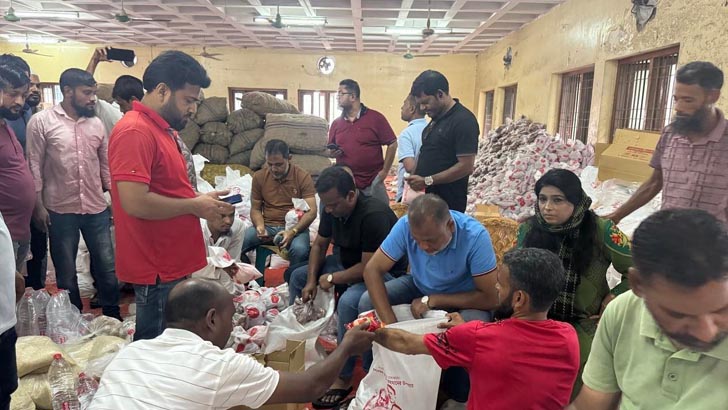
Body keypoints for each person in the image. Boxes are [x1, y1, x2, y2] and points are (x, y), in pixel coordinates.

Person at [88, 278, 376, 410]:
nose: (234, 325)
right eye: (230, 317)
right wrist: (346, 346)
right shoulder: (218, 366)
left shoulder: (132, 352)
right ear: (211, 319)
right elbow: (311, 386)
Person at [108, 50, 234, 341]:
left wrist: (204, 199)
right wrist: (195, 205)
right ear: (162, 90)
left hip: (171, 259)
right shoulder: (135, 132)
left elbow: (167, 188)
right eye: (188, 100)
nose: (192, 110)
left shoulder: (163, 131)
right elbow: (134, 201)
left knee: (170, 341)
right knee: (154, 346)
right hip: (156, 265)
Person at [375, 248, 580, 410]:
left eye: (500, 284)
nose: (496, 288)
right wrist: (470, 332)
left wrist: (372, 331)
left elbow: (406, 343)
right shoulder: (568, 337)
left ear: (519, 299)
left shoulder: (477, 338)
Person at [567, 209, 728, 410]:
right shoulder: (622, 311)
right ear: (637, 285)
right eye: (678, 314)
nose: (707, 333)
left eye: (722, 310)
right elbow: (591, 404)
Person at [287, 166, 407, 408]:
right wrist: (312, 281)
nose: (328, 210)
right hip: (347, 261)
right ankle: (301, 346)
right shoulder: (332, 207)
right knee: (297, 276)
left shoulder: (373, 215)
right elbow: (320, 246)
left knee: (351, 300)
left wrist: (333, 279)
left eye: (332, 205)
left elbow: (369, 268)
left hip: (382, 272)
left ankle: (343, 374)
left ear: (351, 196)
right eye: (326, 206)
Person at [362, 193, 499, 404]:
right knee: (367, 302)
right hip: (419, 285)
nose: (424, 247)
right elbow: (372, 269)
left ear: (450, 226)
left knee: (470, 329)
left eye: (430, 240)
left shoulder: (475, 236)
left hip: (465, 297)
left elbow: (489, 298)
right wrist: (391, 327)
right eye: (417, 241)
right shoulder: (406, 225)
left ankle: (455, 394)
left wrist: (434, 299)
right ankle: (377, 376)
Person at [517, 169, 631, 395]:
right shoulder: (529, 229)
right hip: (535, 317)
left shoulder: (602, 230)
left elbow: (639, 271)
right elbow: (516, 274)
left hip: (583, 321)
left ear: (576, 201)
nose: (547, 207)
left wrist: (614, 298)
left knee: (582, 371)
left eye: (557, 200)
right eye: (543, 199)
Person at [26, 68, 121, 320]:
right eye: (87, 93)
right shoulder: (41, 122)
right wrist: (38, 206)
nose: (93, 99)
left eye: (94, 93)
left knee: (107, 269)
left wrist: (116, 201)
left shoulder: (96, 123)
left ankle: (113, 317)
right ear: (67, 91)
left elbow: (105, 166)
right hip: (59, 209)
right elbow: (33, 164)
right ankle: (74, 319)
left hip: (96, 207)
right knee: (66, 273)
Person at [607, 61, 728, 225]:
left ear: (712, 96)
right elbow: (655, 182)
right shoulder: (670, 134)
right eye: (676, 99)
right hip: (669, 239)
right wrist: (617, 215)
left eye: (688, 100)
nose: (678, 107)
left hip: (713, 246)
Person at [406, 70, 479, 212]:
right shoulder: (437, 118)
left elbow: (466, 166)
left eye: (426, 102)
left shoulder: (463, 121)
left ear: (440, 94)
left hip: (447, 205)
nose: (422, 108)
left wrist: (427, 180)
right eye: (420, 104)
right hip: (428, 199)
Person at [242, 139, 317, 267]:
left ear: (289, 158)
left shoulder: (302, 177)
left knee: (300, 250)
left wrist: (293, 231)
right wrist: (260, 227)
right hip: (268, 225)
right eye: (269, 164)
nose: (274, 169)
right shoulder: (259, 177)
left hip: (294, 227)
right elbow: (255, 209)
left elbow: (312, 212)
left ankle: (293, 280)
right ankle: (247, 279)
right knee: (240, 242)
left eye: (278, 164)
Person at [328, 79, 398, 204]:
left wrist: (384, 172)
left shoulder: (375, 118)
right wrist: (332, 153)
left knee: (380, 216)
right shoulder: (336, 124)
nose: (337, 97)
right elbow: (329, 149)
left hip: (373, 181)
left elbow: (392, 143)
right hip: (347, 183)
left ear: (353, 96)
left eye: (341, 93)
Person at [0, 63, 36, 276]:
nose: (20, 102)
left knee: (13, 295)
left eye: (23, 95)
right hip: (4, 235)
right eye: (13, 95)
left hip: (19, 231)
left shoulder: (6, 125)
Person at [395, 94, 427, 202]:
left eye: (404, 104)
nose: (402, 108)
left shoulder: (407, 134)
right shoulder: (431, 128)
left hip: (410, 193)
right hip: (428, 192)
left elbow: (410, 167)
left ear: (412, 109)